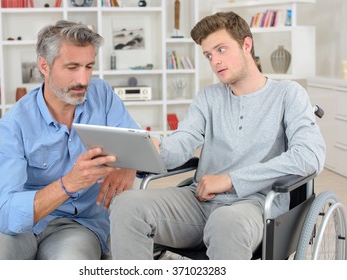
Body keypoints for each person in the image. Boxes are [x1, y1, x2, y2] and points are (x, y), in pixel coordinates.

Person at [109, 11, 326, 260]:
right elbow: (183, 141)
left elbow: (310, 156)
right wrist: (156, 148)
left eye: (221, 50)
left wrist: (231, 179)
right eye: (209, 55)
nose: (215, 62)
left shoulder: (288, 94)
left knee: (225, 222)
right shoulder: (208, 97)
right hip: (199, 201)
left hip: (256, 204)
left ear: (246, 44)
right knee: (127, 205)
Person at [0, 20, 138, 260]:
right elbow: (6, 215)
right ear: (44, 66)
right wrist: (69, 183)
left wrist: (131, 165)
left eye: (88, 66)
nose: (83, 79)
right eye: (72, 67)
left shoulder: (103, 95)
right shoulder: (12, 126)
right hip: (21, 226)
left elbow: (139, 142)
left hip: (79, 225)